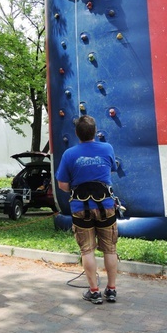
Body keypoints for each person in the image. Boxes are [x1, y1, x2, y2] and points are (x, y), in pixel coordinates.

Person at [56, 115, 118, 304]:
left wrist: (77, 187)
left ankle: (94, 291)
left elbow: (62, 185)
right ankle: (112, 290)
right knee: (110, 249)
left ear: (77, 133)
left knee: (87, 250)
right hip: (106, 205)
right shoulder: (107, 148)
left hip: (81, 207)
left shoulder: (69, 154)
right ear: (95, 131)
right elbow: (111, 169)